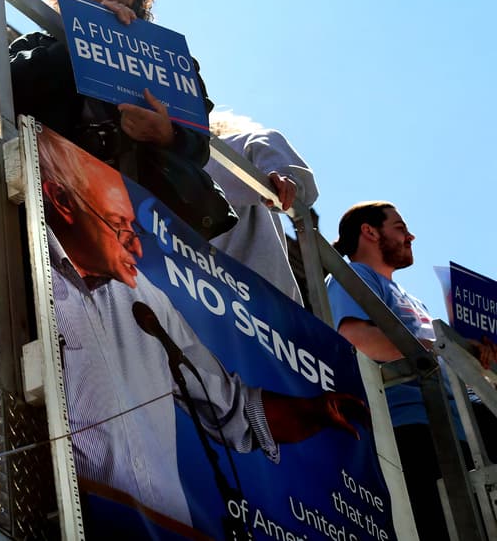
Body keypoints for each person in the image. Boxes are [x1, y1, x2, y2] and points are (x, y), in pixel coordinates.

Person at [40, 128, 368, 531]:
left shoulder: (149, 302)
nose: (138, 247)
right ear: (63, 201)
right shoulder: (30, 271)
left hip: (166, 529)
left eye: (133, 229)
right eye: (121, 227)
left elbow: (226, 405)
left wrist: (313, 410)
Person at [3, 0, 234, 241]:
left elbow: (198, 144)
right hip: (62, 222)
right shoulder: (36, 47)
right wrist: (86, 40)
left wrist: (166, 134)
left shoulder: (170, 60)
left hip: (153, 235)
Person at [326, 201, 497, 538]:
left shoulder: (411, 298)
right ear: (370, 232)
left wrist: (472, 354)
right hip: (414, 427)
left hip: (457, 426)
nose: (411, 236)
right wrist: (438, 348)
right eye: (401, 228)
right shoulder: (354, 276)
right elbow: (354, 337)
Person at [205, 111, 316, 304]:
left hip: (225, 295)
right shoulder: (220, 158)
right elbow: (263, 140)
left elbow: (261, 142)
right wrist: (284, 173)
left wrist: (282, 174)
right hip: (261, 300)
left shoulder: (213, 161)